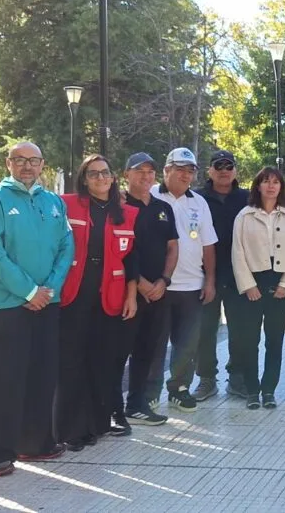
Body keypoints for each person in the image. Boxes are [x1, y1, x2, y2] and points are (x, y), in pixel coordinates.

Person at [0, 141, 73, 476]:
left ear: (42, 164)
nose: (27, 166)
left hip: (47, 303)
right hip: (6, 305)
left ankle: (35, 443)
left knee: (41, 377)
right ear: (9, 163)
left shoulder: (53, 202)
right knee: (4, 381)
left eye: (33, 161)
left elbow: (66, 248)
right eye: (20, 160)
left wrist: (49, 290)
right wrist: (29, 291)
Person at [56, 156, 139, 451]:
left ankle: (98, 423)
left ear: (113, 177)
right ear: (84, 179)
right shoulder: (66, 204)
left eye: (105, 173)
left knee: (101, 362)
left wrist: (131, 296)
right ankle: (72, 429)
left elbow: (132, 259)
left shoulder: (127, 213)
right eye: (93, 174)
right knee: (71, 362)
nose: (100, 178)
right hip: (75, 294)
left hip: (110, 298)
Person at [147, 147, 218, 412]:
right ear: (166, 170)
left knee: (187, 344)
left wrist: (209, 280)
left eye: (190, 171)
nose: (185, 175)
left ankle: (178, 388)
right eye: (179, 169)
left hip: (192, 285)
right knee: (154, 342)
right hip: (158, 285)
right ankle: (149, 391)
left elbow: (208, 244)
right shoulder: (150, 196)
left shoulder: (198, 203)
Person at [230, 167, 285, 409]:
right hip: (253, 282)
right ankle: (252, 390)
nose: (271, 186)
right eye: (265, 181)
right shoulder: (245, 216)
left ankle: (269, 389)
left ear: (281, 187)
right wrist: (248, 285)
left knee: (275, 340)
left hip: (279, 284)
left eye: (276, 182)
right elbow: (237, 253)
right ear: (257, 186)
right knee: (249, 340)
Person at [119, 152, 178, 426]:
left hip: (157, 292)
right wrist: (140, 283)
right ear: (126, 174)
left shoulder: (161, 207)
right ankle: (112, 407)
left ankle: (137, 405)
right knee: (119, 351)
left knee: (148, 350)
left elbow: (173, 247)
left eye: (149, 171)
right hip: (126, 292)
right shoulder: (118, 207)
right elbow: (121, 251)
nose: (145, 176)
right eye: (139, 171)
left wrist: (163, 281)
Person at [195, 149, 250, 401]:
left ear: (236, 170)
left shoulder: (248, 198)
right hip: (206, 274)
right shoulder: (196, 199)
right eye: (219, 165)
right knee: (205, 330)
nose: (224, 170)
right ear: (210, 170)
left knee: (240, 328)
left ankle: (237, 376)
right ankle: (207, 378)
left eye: (229, 166)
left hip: (240, 273)